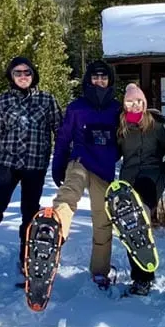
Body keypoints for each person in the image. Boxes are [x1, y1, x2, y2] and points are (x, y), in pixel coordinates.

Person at [0, 57, 62, 271]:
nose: (23, 76)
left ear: (33, 75)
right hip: (7, 163)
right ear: (11, 76)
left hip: (35, 164)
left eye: (27, 72)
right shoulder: (3, 101)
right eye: (18, 73)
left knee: (30, 212)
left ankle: (28, 255)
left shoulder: (46, 100)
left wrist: (63, 160)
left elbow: (60, 131)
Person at [50, 60, 121, 289]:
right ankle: (52, 230)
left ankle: (100, 271)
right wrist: (58, 164)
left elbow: (125, 139)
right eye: (95, 77)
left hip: (104, 169)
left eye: (104, 77)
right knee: (69, 194)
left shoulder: (117, 109)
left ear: (109, 81)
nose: (99, 81)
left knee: (103, 220)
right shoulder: (76, 107)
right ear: (88, 80)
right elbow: (63, 138)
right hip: (80, 161)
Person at [116, 83, 165, 295]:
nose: (135, 105)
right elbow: (113, 153)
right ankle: (140, 275)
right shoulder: (120, 126)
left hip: (151, 178)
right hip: (129, 179)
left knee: (141, 220)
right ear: (125, 104)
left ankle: (144, 277)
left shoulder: (155, 125)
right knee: (131, 227)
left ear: (144, 102)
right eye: (130, 101)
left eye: (139, 101)